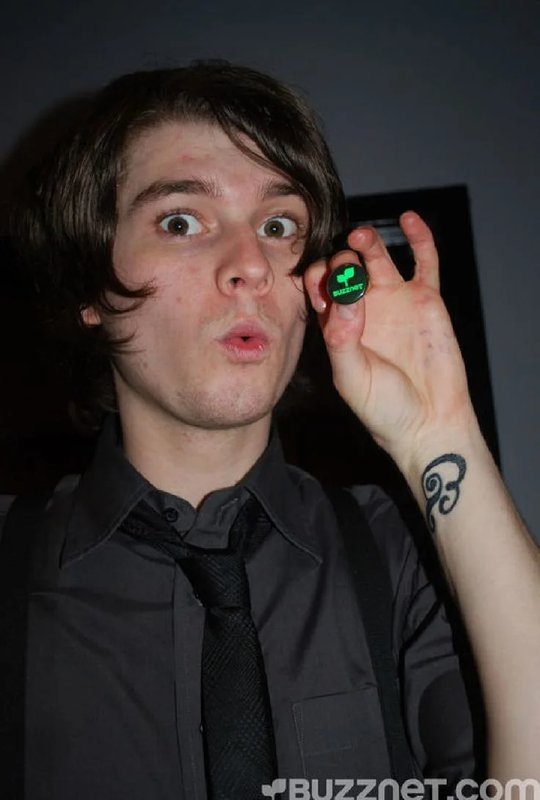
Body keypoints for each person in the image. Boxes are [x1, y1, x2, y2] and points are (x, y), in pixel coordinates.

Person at [1, 61, 538, 799]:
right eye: (181, 221)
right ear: (90, 288)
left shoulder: (400, 553)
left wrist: (440, 434)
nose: (252, 265)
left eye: (278, 226)